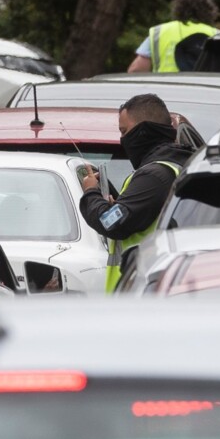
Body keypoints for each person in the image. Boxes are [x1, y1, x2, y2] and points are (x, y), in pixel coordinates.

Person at [79, 94, 194, 291]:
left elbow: (110, 222)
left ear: (143, 131)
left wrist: (91, 193)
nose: (122, 140)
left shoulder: (154, 176)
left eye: (125, 131)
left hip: (144, 290)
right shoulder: (178, 164)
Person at [127, 0, 220, 73]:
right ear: (209, 9)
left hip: (165, 89)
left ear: (177, 8)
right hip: (205, 89)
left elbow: (136, 70)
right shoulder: (217, 35)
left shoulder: (159, 33)